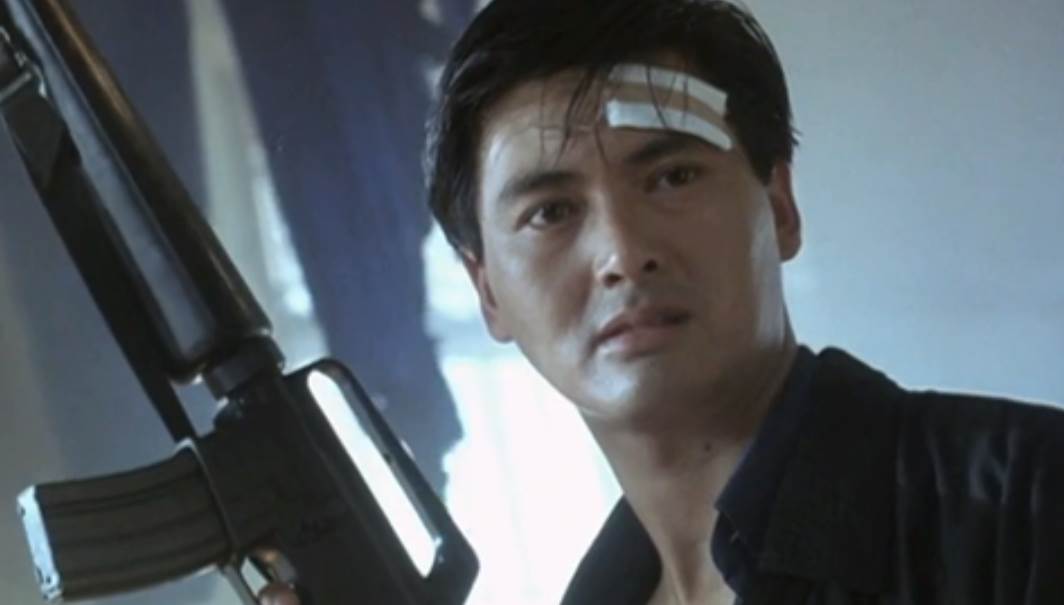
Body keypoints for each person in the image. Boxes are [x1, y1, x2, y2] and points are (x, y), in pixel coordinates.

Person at [263, 1, 1064, 604]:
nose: (622, 252)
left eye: (673, 176)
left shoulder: (1030, 503)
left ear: (780, 207)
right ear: (488, 291)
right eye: (551, 211)